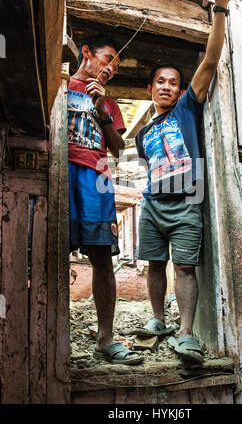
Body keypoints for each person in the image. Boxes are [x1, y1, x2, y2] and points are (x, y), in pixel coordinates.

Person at [134, 0, 239, 362]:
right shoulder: (144, 132)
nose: (166, 86)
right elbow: (149, 168)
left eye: (172, 83)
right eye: (160, 82)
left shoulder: (186, 110)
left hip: (186, 204)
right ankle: (159, 320)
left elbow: (210, 61)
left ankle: (186, 334)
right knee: (154, 264)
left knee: (185, 267)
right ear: (150, 89)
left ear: (180, 91)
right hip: (152, 205)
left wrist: (221, 8)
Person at [68, 35, 143, 365]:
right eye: (108, 58)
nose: (111, 67)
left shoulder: (109, 104)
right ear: (87, 53)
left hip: (97, 177)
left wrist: (102, 111)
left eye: (116, 64)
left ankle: (105, 339)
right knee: (54, 251)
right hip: (62, 169)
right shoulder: (62, 84)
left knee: (102, 257)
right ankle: (54, 336)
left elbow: (118, 149)